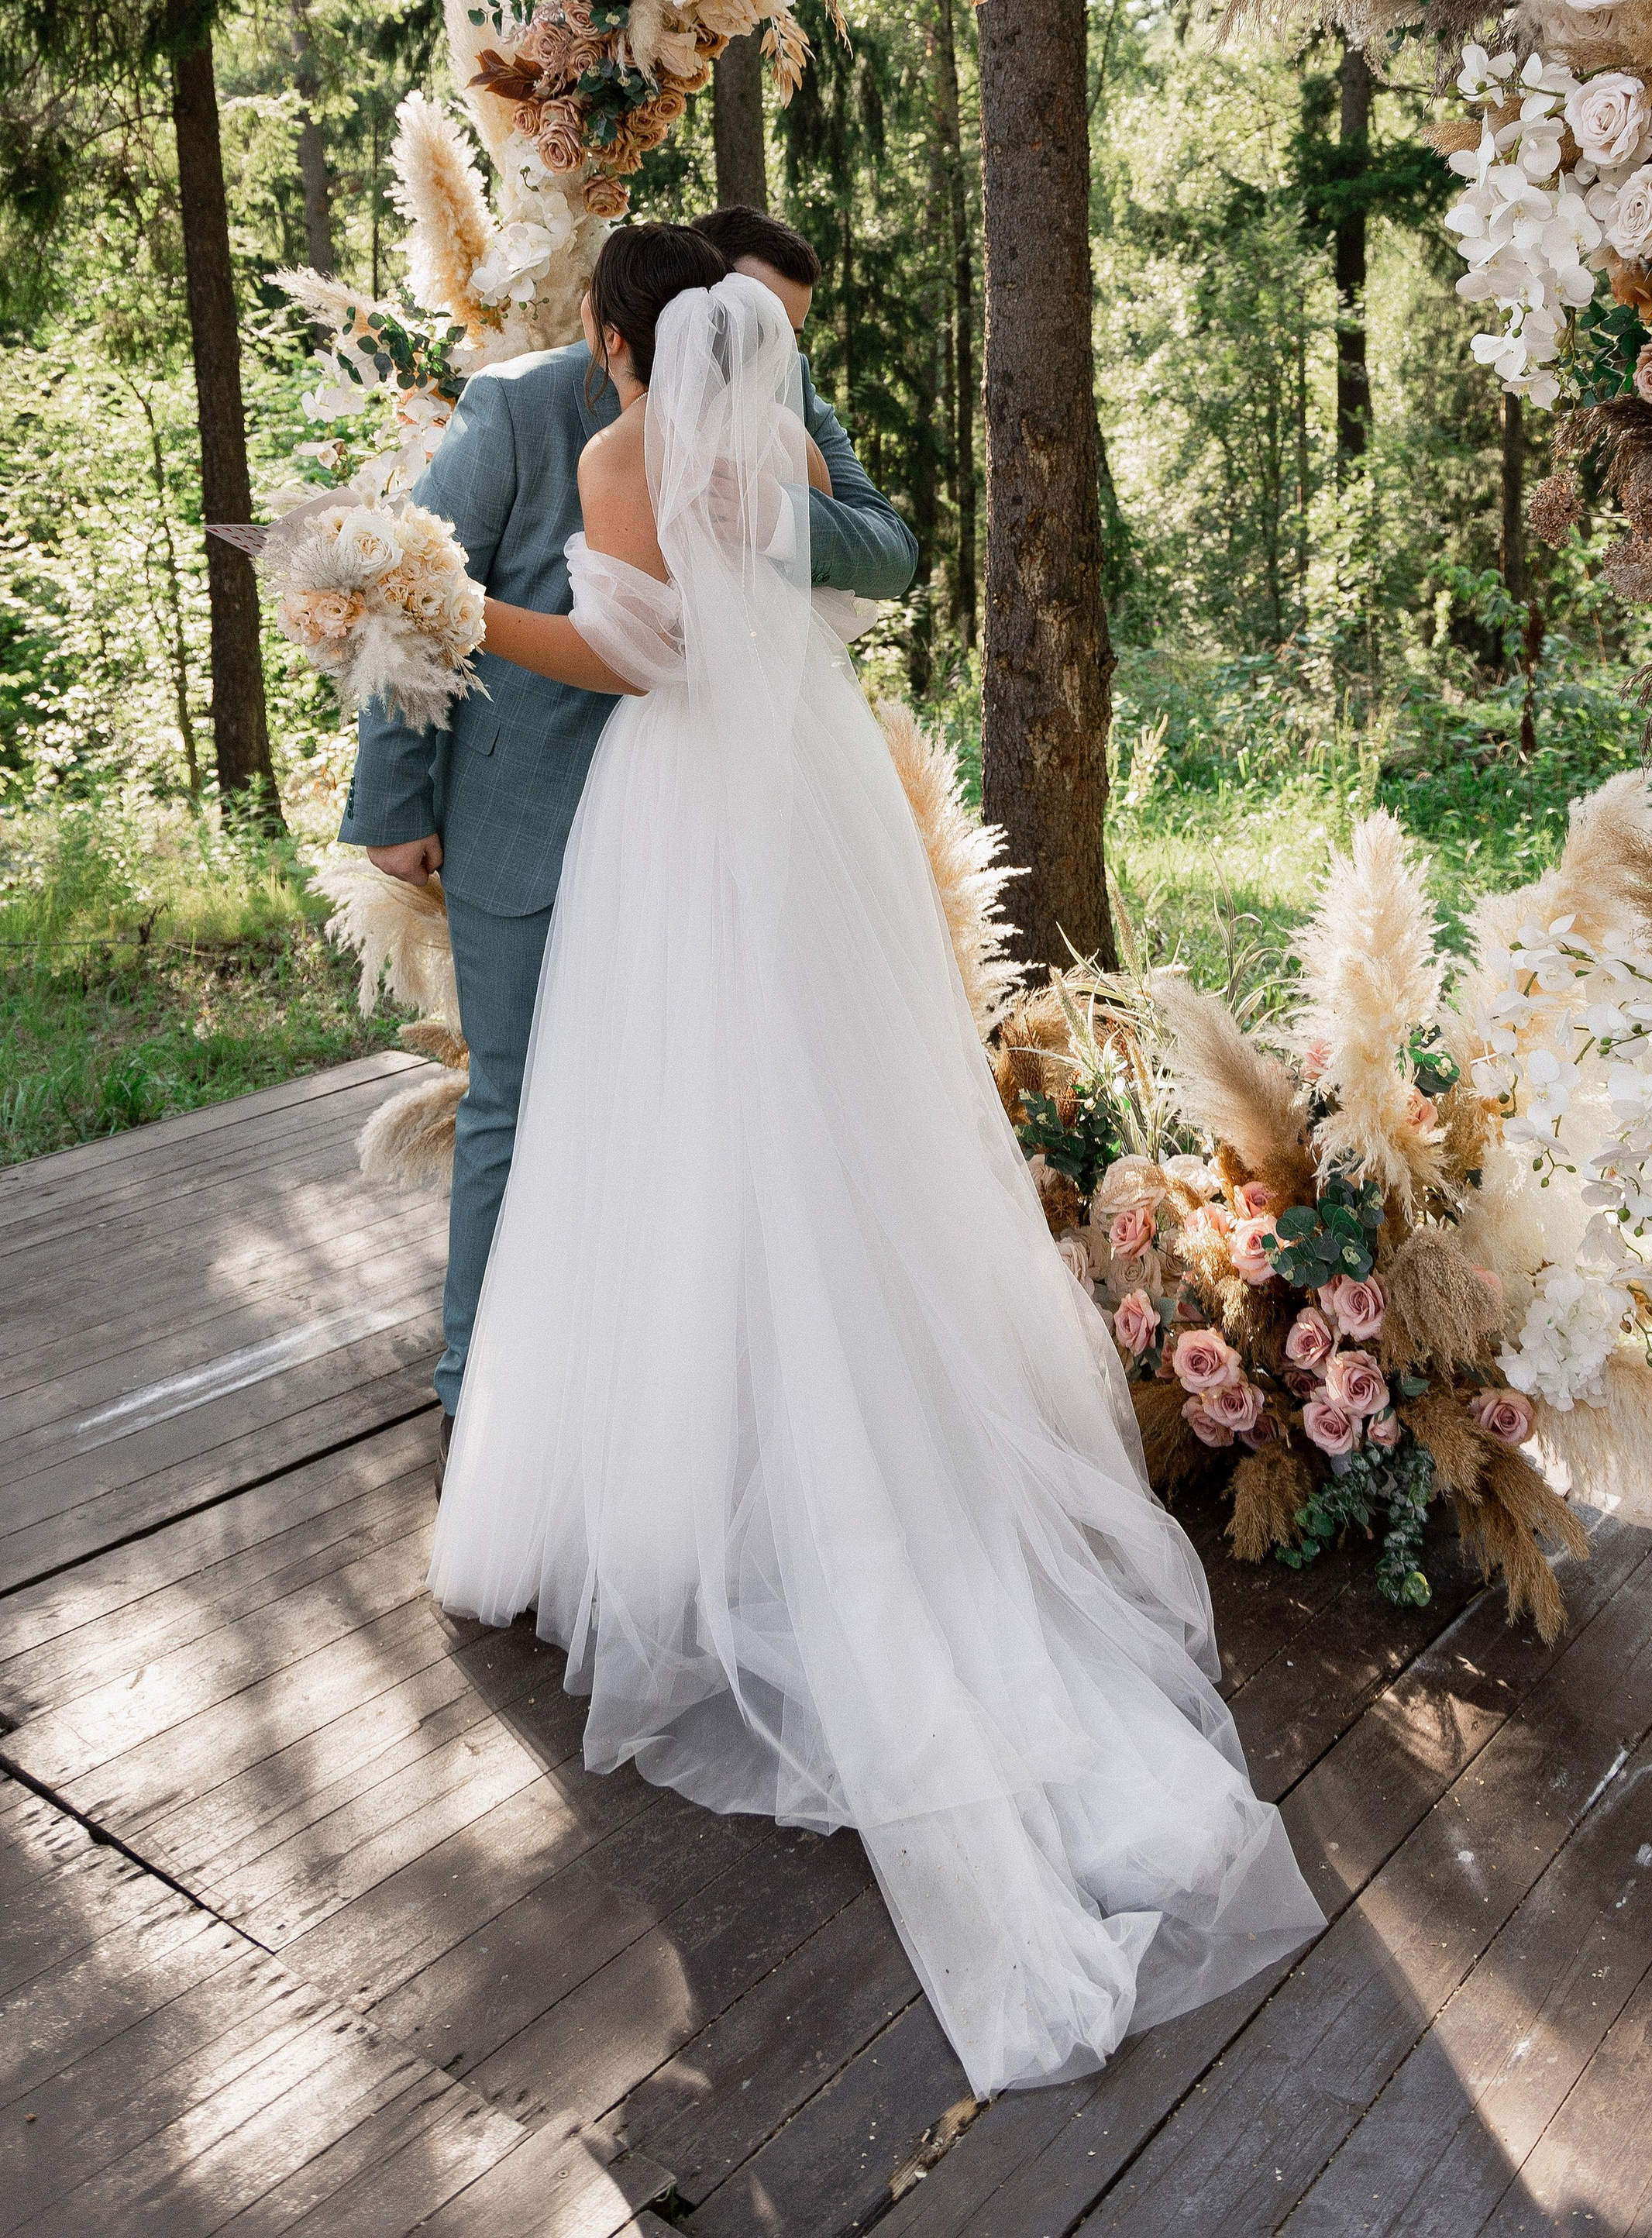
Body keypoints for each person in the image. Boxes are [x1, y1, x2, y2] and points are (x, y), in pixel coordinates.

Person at [427, 243, 1323, 2098]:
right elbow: (816, 591)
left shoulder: (616, 457)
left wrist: (446, 615)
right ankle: (849, 1424)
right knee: (827, 1119)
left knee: (659, 1129)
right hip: (815, 801)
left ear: (618, 340)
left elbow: (624, 653)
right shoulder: (780, 455)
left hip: (672, 816)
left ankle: (691, 1472)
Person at [339, 217, 917, 1471]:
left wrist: (764, 507)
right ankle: (476, 1377)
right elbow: (399, 626)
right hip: (536, 809)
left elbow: (885, 549)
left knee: (688, 1107)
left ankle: (651, 1398)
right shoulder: (514, 411)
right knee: (514, 1103)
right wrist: (395, 809)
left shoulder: (771, 420)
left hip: (694, 812)